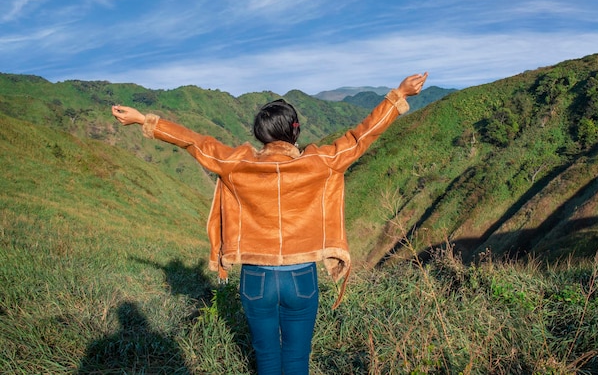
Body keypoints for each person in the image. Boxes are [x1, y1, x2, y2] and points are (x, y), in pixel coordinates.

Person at [112, 72, 428, 375]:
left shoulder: (236, 163)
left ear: (259, 135)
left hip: (256, 278)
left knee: (265, 354)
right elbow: (360, 136)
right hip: (301, 276)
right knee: (296, 356)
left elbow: (195, 143)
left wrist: (143, 119)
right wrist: (398, 95)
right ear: (295, 129)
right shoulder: (320, 162)